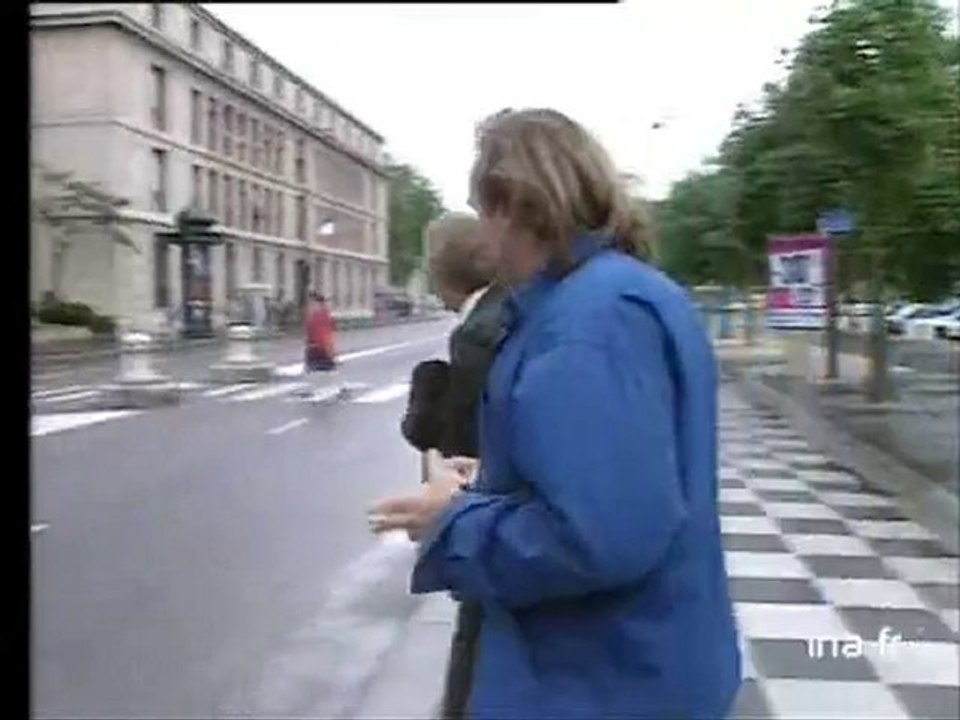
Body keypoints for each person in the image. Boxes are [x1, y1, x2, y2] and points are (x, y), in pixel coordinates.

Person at [370, 108, 741, 718]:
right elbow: (618, 480)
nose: (482, 239)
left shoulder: (585, 324)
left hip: (596, 684)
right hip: (637, 670)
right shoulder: (624, 294)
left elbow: (600, 539)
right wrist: (494, 484)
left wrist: (454, 521)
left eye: (482, 210)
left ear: (515, 205)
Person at [398, 212, 507, 719]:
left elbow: (467, 445)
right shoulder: (510, 311)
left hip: (498, 533)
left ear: (442, 273)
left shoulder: (479, 332)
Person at [304, 293, 336, 372]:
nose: (311, 306)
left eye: (313, 304)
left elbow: (326, 335)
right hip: (315, 350)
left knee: (319, 373)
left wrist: (330, 350)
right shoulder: (314, 316)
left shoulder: (322, 317)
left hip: (320, 351)